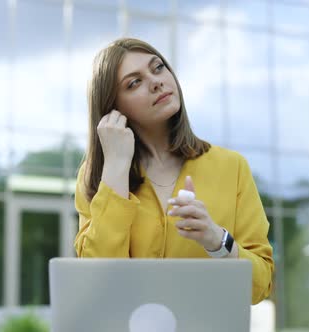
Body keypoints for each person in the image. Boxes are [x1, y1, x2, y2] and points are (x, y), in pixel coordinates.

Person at [73, 37, 273, 304]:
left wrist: (217, 240)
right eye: (134, 83)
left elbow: (260, 286)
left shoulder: (232, 167)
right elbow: (97, 284)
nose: (156, 81)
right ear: (113, 108)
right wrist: (116, 169)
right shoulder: (98, 177)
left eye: (158, 68)